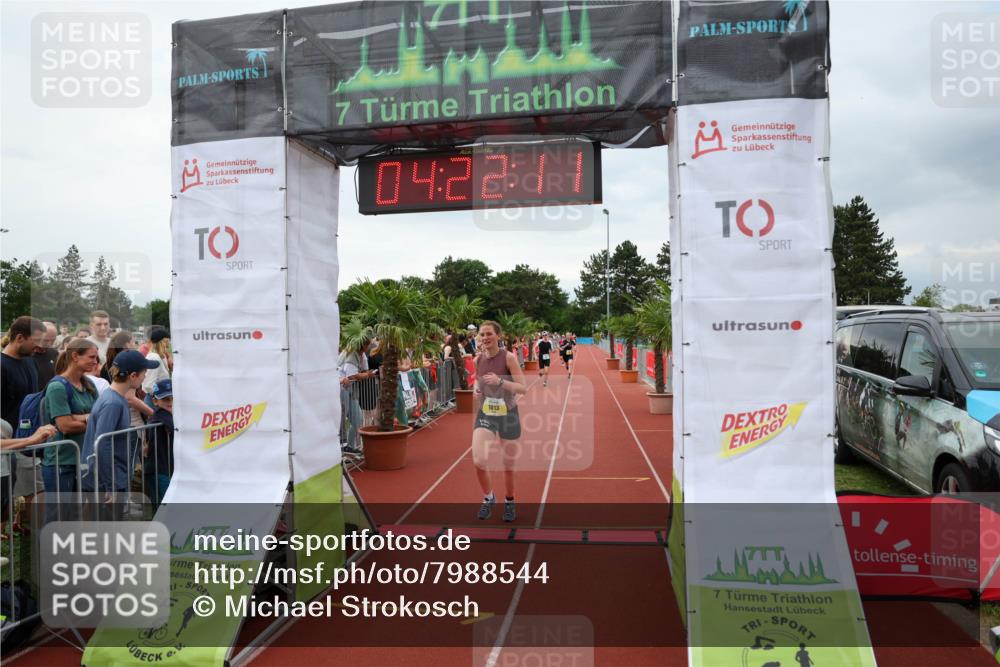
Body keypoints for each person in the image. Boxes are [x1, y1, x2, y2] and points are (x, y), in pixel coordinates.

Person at [81, 350, 159, 502]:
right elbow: (102, 444)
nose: (144, 377)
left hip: (113, 477)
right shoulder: (112, 403)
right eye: (144, 373)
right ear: (133, 376)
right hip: (107, 482)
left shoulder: (116, 398)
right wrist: (110, 486)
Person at [471, 321, 527, 523]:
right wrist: (476, 389)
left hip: (508, 413)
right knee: (478, 461)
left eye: (488, 334)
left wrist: (500, 381)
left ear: (498, 336)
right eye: (482, 334)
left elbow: (523, 388)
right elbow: (478, 381)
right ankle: (489, 498)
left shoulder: (508, 357)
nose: (485, 338)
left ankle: (510, 501)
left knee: (508, 465)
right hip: (486, 412)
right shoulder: (478, 359)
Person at [41, 338, 100, 496]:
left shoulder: (89, 385)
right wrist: (90, 419)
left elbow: (100, 415)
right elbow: (65, 427)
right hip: (61, 463)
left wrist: (80, 418)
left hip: (83, 459)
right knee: (59, 516)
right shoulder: (57, 387)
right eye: (91, 357)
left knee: (76, 516)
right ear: (75, 356)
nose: (96, 362)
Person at [144, 379, 174, 508]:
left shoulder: (166, 414)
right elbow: (172, 425)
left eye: (173, 398)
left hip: (163, 468)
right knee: (164, 505)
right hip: (158, 470)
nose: (170, 402)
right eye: (166, 399)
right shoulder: (160, 415)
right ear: (155, 401)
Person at [338, 341, 371, 454]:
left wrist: (364, 374)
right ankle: (343, 447)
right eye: (367, 345)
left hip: (350, 390)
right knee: (342, 419)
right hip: (342, 389)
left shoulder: (360, 355)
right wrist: (365, 375)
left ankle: (349, 446)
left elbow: (364, 370)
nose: (368, 347)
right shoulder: (351, 355)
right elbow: (351, 375)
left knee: (358, 419)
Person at [142, 328, 172, 407]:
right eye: (167, 339)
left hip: (160, 398)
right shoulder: (154, 357)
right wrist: (160, 397)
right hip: (154, 400)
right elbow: (149, 385)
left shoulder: (161, 356)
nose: (169, 341)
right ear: (162, 341)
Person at [34, 321, 60, 388]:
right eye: (46, 340)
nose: (49, 344)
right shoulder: (27, 355)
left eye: (53, 340)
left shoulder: (54, 353)